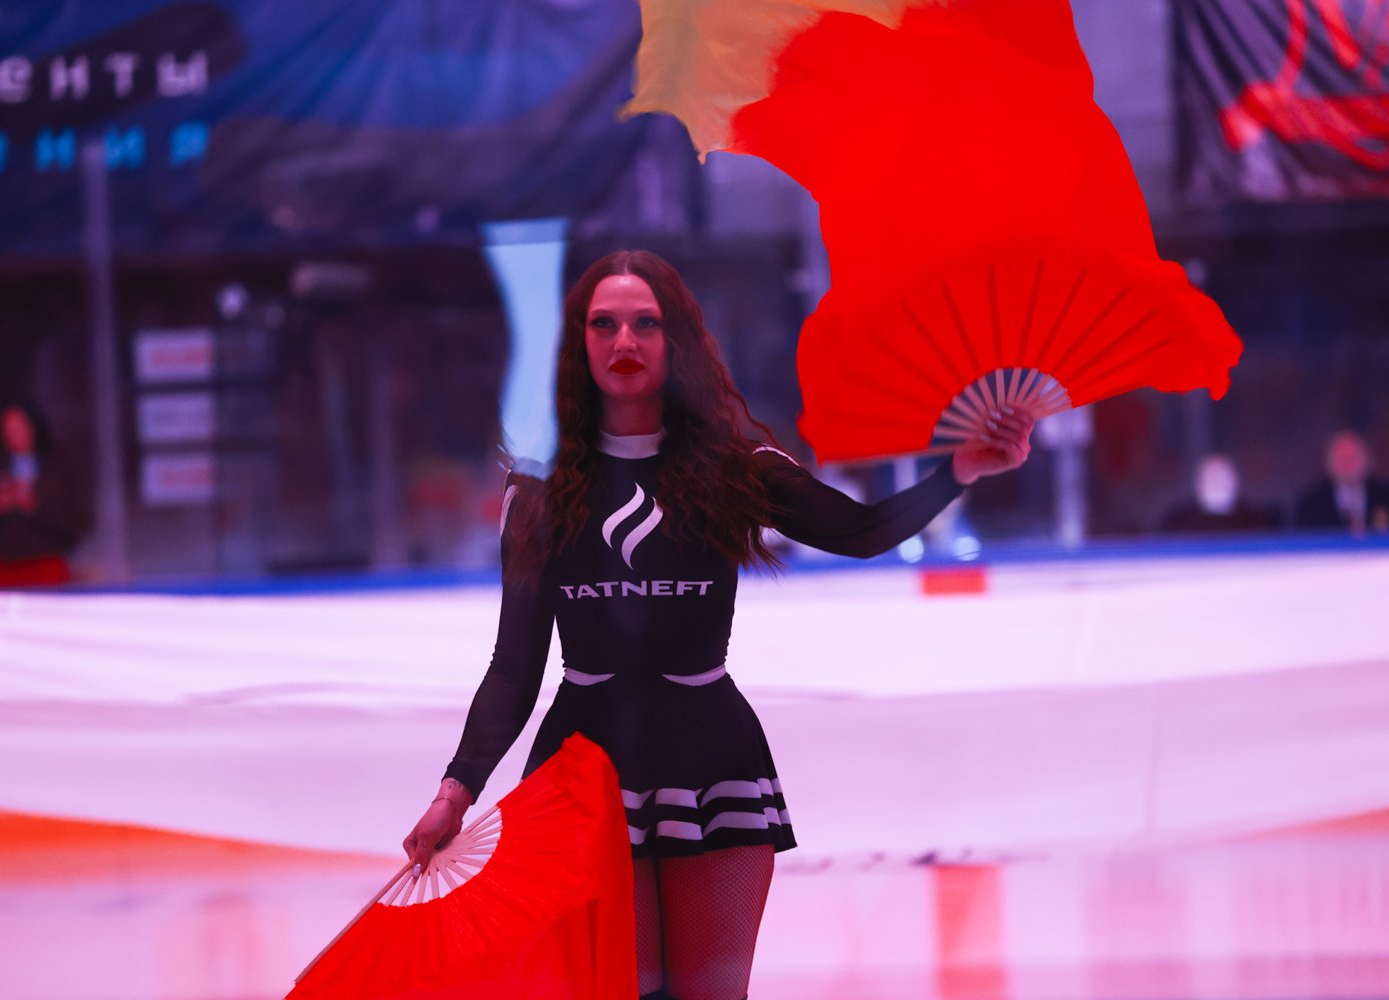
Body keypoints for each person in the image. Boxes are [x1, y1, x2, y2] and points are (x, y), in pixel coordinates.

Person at [402, 251, 1034, 1000]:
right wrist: (455, 792)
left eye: (646, 324)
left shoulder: (738, 469)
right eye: (604, 325)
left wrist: (958, 471)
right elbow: (514, 666)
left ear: (676, 340)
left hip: (712, 761)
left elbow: (861, 532)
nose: (625, 341)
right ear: (578, 344)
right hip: (580, 772)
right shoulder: (537, 493)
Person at [0, 401, 92, 588]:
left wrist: (36, 506)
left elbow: (78, 521)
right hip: (0, 568)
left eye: (20, 426)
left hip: (47, 567)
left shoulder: (60, 468)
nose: (15, 434)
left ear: (34, 426)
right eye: (9, 429)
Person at [1293, 430, 1389, 535]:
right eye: (1341, 458)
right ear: (1328, 463)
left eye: (1352, 457)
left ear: (1369, 460)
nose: (1347, 464)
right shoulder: (1311, 504)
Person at [1159, 453, 1278, 534]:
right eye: (1211, 476)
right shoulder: (1179, 523)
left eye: (1223, 476)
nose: (1217, 481)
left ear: (1235, 481)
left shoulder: (1254, 522)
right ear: (1198, 482)